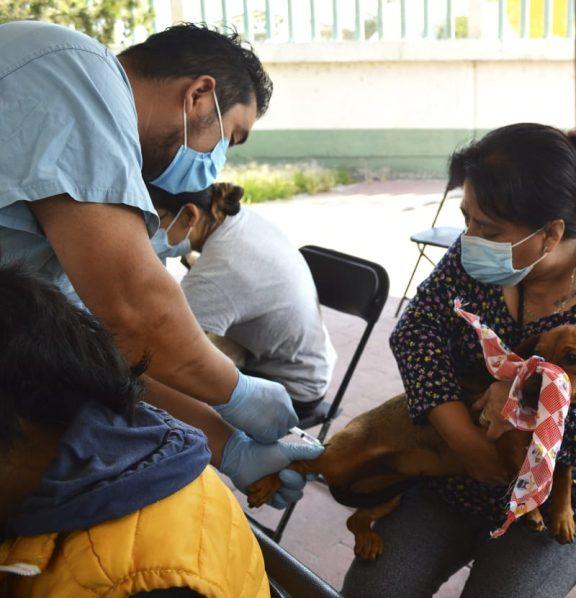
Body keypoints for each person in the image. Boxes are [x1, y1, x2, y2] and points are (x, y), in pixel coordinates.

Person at [342, 124, 576, 597]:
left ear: (550, 233)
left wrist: (527, 407)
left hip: (556, 499)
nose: (469, 237)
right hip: (452, 470)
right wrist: (465, 437)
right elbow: (415, 333)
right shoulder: (474, 258)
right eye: (468, 219)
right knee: (374, 589)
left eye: (488, 229)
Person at [0, 21, 314, 507]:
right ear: (199, 96)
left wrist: (225, 443)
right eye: (231, 137)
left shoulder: (74, 154)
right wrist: (237, 390)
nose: (218, 166)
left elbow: (106, 348)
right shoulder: (77, 71)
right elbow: (134, 308)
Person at [0, 264, 322, 596]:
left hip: (293, 386)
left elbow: (141, 322)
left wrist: (232, 410)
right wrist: (229, 442)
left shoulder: (148, 580)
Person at [148, 182, 337, 415]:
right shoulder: (237, 219)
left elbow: (164, 346)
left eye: (155, 220)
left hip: (290, 387)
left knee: (156, 387)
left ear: (190, 214)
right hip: (311, 363)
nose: (149, 232)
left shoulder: (216, 273)